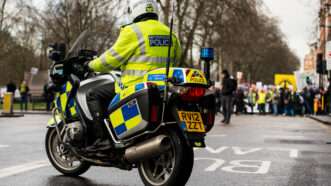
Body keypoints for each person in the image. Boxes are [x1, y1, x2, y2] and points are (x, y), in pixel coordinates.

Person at [87, 0, 182, 147]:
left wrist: (91, 65)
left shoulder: (132, 31)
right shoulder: (169, 33)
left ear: (135, 11)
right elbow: (176, 59)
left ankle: (102, 139)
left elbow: (110, 60)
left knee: (93, 94)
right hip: (162, 87)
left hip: (133, 87)